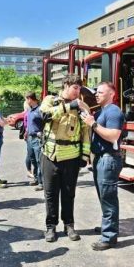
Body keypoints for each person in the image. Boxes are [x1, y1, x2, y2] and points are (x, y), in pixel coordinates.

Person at [40, 74, 91, 242]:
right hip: (50, 155)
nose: (78, 92)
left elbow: (85, 132)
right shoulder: (50, 100)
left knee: (69, 194)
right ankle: (50, 227)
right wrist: (69, 106)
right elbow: (44, 116)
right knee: (50, 194)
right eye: (75, 88)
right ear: (65, 85)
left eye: (79, 88)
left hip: (71, 157)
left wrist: (85, 155)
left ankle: (69, 225)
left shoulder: (82, 106)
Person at [82, 82, 124, 251]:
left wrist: (93, 124)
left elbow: (113, 135)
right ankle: (108, 228)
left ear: (112, 94)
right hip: (100, 159)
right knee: (104, 197)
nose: (96, 95)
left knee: (108, 198)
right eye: (96, 92)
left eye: (100, 92)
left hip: (108, 159)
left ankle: (109, 237)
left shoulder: (114, 111)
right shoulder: (101, 111)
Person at [25, 92, 43, 191]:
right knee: (32, 159)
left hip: (37, 139)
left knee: (39, 160)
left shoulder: (40, 110)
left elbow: (45, 122)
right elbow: (29, 123)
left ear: (31, 99)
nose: (26, 101)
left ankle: (41, 182)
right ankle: (36, 178)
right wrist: (26, 132)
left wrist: (41, 132)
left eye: (27, 99)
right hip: (30, 138)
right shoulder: (30, 110)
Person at [22, 100, 35, 179]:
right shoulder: (28, 113)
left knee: (30, 154)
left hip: (28, 135)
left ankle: (30, 171)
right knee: (30, 154)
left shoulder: (28, 113)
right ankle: (29, 171)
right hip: (29, 135)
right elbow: (27, 126)